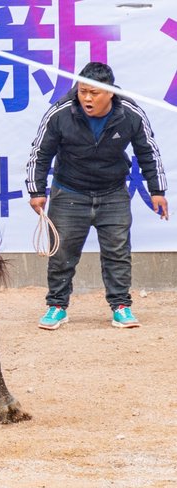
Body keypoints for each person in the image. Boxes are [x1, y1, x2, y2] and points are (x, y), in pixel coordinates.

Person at [25, 61, 168, 331]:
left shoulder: (130, 113)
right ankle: (57, 306)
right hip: (69, 193)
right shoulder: (60, 113)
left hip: (113, 193)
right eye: (82, 92)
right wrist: (36, 191)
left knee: (117, 253)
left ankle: (121, 307)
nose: (87, 98)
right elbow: (40, 152)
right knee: (62, 254)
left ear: (110, 92)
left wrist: (157, 191)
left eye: (94, 93)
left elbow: (148, 151)